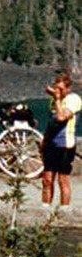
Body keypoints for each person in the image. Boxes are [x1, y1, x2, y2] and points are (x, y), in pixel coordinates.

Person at [40, 70, 78, 208]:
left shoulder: (73, 99)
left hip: (65, 145)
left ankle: (64, 209)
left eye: (61, 89)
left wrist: (57, 99)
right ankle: (45, 207)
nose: (58, 91)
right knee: (47, 179)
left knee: (63, 180)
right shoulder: (54, 101)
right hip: (51, 145)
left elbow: (61, 117)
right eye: (56, 88)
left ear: (68, 89)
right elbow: (52, 122)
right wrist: (44, 140)